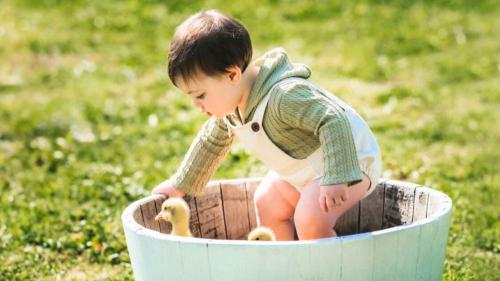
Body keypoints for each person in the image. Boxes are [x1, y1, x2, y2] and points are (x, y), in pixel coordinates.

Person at [152, 9, 382, 240]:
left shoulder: (283, 96)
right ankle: (284, 267)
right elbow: (210, 144)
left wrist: (337, 176)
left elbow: (333, 119)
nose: (196, 105)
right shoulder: (232, 109)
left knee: (310, 217)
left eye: (200, 95)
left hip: (351, 161)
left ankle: (328, 272)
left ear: (232, 75)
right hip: (304, 170)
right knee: (267, 202)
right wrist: (179, 185)